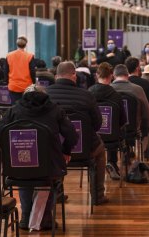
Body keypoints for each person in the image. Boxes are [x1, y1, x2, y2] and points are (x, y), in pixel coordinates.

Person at [0, 84, 77, 231]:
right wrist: (66, 151)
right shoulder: (56, 110)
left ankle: (26, 216)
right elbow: (72, 135)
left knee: (23, 172)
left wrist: (8, 155)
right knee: (47, 173)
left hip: (19, 164)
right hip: (49, 166)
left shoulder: (13, 110)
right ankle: (44, 218)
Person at [46, 61, 108, 205]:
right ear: (74, 75)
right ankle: (98, 195)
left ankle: (58, 192)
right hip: (85, 149)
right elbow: (98, 124)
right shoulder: (86, 95)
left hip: (54, 152)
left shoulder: (46, 95)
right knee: (100, 150)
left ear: (56, 77)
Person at [88, 62, 125, 180]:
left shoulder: (88, 93)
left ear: (97, 75)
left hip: (93, 138)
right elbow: (122, 120)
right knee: (115, 130)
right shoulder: (116, 95)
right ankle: (112, 162)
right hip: (112, 139)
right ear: (111, 76)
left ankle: (94, 164)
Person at [112, 64, 149, 153]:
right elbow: (147, 113)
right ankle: (142, 154)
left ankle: (112, 160)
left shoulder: (109, 89)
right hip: (134, 128)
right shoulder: (137, 89)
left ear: (114, 76)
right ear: (127, 75)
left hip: (113, 130)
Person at [5, 36, 36, 102]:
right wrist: (34, 83)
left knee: (15, 107)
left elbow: (6, 71)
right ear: (25, 45)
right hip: (27, 87)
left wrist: (8, 82)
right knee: (26, 108)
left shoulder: (9, 56)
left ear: (17, 44)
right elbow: (32, 71)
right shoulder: (30, 56)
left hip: (13, 86)